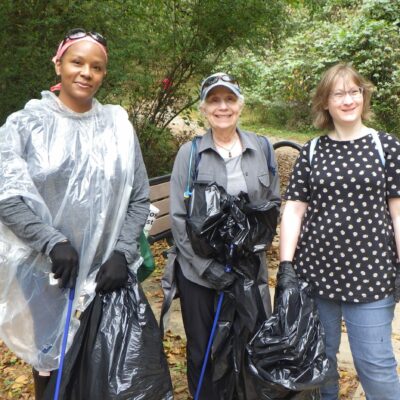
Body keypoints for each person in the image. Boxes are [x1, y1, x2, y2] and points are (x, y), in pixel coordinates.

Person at [0, 29, 152, 399]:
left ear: (104, 74)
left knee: (98, 359)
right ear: (59, 64)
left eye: (96, 67)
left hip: (105, 272)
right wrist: (51, 242)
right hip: (46, 269)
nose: (86, 72)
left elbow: (138, 197)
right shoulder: (26, 124)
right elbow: (6, 196)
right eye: (77, 62)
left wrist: (122, 252)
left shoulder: (117, 126)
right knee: (49, 358)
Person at [280, 63, 400, 400]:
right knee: (320, 362)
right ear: (325, 103)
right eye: (338, 93)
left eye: (354, 91)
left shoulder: (386, 147)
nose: (348, 100)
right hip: (316, 275)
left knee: (375, 366)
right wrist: (286, 266)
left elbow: (398, 214)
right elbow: (294, 209)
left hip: (372, 276)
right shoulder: (314, 150)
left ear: (363, 95)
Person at [165, 72, 280, 399]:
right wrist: (205, 267)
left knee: (249, 346)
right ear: (204, 108)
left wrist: (253, 249)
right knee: (205, 353)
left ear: (240, 104)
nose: (223, 107)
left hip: (248, 272)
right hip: (200, 275)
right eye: (214, 100)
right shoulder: (190, 155)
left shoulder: (262, 147)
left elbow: (271, 206)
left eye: (229, 99)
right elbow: (178, 218)